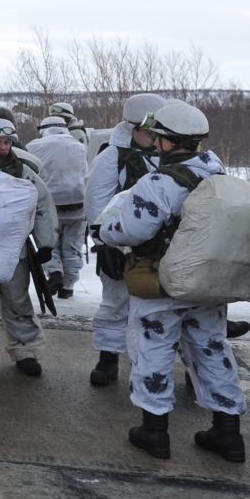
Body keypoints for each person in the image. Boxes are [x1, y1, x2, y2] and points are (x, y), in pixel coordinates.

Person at [96, 100, 249, 463]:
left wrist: (106, 228)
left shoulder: (159, 182)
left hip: (162, 282)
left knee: (154, 349)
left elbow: (128, 230)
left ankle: (155, 431)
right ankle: (228, 433)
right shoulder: (218, 173)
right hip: (207, 282)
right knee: (212, 350)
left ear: (166, 141)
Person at [84, 93, 165, 389]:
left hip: (160, 249)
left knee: (160, 308)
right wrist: (104, 243)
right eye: (148, 132)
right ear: (132, 128)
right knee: (116, 304)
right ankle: (108, 358)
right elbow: (96, 201)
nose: (153, 138)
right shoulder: (112, 157)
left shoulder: (168, 155)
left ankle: (150, 364)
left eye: (158, 132)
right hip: (120, 246)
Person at [0, 118, 57, 378]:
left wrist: (46, 243)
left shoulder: (22, 171)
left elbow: (42, 205)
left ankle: (26, 350)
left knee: (17, 301)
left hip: (14, 249)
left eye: (7, 142)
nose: (2, 147)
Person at [25, 114, 89, 298]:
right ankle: (68, 286)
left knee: (48, 240)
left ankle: (54, 272)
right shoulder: (79, 147)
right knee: (73, 245)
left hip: (49, 203)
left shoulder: (33, 146)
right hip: (77, 204)